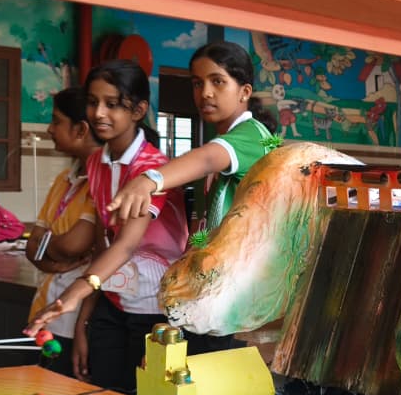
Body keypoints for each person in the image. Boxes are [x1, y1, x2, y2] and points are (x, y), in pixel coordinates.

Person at [25, 60, 188, 392]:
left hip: (155, 309)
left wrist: (74, 294)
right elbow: (104, 243)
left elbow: (126, 245)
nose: (99, 113)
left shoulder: (153, 169)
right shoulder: (95, 163)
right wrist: (84, 320)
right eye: (93, 102)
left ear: (138, 110)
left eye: (112, 104)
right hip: (112, 303)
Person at [108, 40, 281, 353]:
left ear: (244, 91)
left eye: (218, 82)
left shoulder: (253, 136)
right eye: (198, 84)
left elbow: (207, 158)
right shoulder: (223, 141)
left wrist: (150, 179)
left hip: (238, 297)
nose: (206, 93)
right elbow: (201, 230)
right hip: (210, 293)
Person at [25, 87, 101, 377]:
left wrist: (48, 246)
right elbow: (32, 247)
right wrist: (55, 255)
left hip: (76, 316)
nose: (49, 129)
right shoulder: (63, 180)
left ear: (81, 129)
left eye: (56, 121)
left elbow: (73, 244)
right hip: (46, 310)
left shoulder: (100, 182)